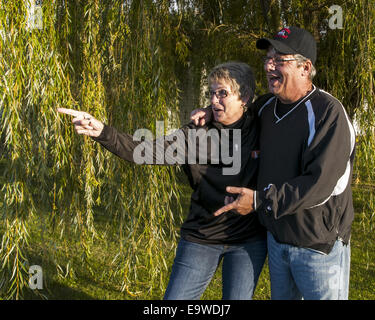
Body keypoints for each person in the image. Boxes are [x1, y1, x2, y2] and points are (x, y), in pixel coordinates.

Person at [58, 62, 267, 300]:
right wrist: (102, 132)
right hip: (202, 237)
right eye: (212, 93)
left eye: (223, 93)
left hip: (248, 241)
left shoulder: (263, 125)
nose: (215, 100)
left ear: (245, 97)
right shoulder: (195, 134)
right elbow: (143, 151)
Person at [191, 27, 356, 300]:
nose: (269, 65)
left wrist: (258, 201)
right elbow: (238, 113)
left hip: (318, 248)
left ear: (305, 67)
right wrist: (212, 110)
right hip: (277, 242)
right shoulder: (266, 107)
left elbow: (319, 184)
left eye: (280, 59)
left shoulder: (328, 113)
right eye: (268, 58)